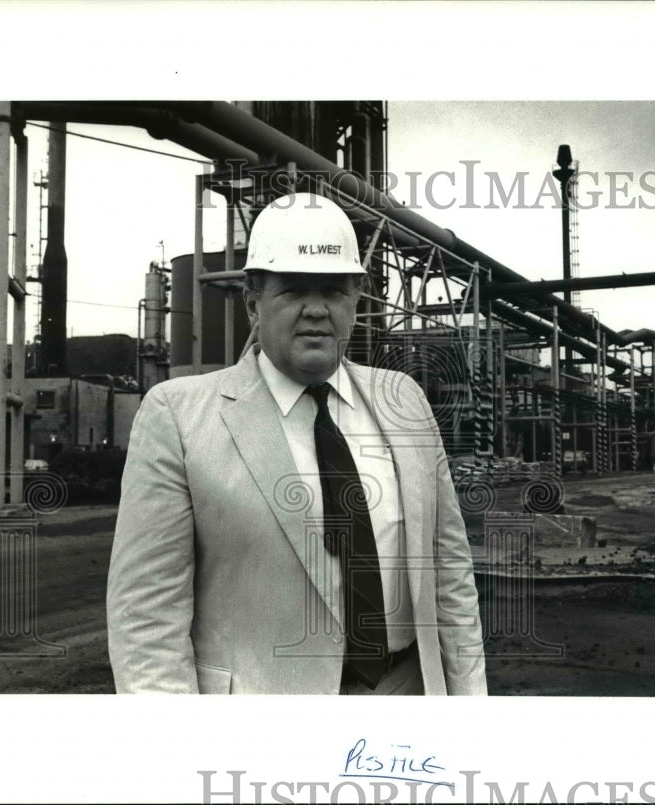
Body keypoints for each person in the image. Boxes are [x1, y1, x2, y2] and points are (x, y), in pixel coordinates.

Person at [107, 192, 487, 695]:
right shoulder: (178, 417)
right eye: (292, 291)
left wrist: (471, 708)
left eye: (333, 291)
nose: (315, 311)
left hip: (408, 696)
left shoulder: (404, 400)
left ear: (357, 299)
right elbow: (146, 619)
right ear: (252, 303)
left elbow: (450, 574)